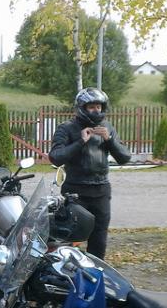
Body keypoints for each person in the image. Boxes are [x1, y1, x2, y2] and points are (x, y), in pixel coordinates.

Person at [48, 87, 131, 259]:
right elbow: (55, 157)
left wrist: (109, 140)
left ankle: (96, 269)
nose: (96, 110)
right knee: (71, 237)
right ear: (82, 108)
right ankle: (67, 269)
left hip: (101, 190)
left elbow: (124, 157)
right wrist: (80, 141)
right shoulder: (67, 128)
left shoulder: (107, 127)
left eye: (99, 107)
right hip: (75, 192)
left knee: (99, 238)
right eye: (92, 107)